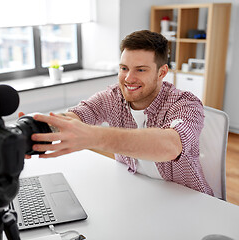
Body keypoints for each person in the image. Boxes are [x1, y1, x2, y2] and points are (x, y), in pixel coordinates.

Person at [21, 30, 213, 195]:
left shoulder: (185, 104)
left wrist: (93, 137)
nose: (129, 78)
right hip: (137, 192)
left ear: (162, 72)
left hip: (188, 200)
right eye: (124, 68)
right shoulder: (113, 96)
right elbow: (78, 115)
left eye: (140, 70)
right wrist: (32, 129)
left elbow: (171, 145)